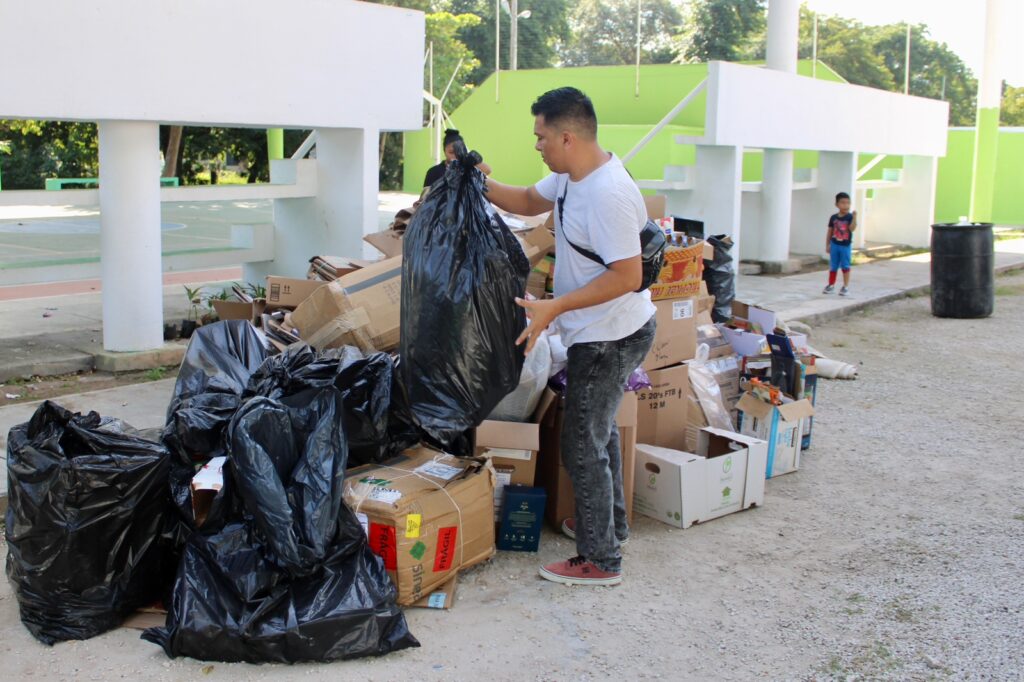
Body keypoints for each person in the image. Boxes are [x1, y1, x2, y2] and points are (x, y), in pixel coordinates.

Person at [484, 87, 656, 587]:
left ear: (566, 136)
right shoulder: (569, 177)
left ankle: (600, 560)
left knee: (581, 443)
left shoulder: (608, 194)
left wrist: (553, 307)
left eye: (540, 136)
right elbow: (524, 200)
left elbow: (627, 275)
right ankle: (610, 527)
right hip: (600, 329)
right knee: (597, 434)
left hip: (611, 336)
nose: (536, 144)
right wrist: (479, 179)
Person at [422, 128, 492, 190]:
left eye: (458, 151)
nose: (455, 155)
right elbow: (426, 196)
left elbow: (488, 170)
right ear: (444, 151)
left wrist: (471, 160)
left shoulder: (468, 168)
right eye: (451, 152)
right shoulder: (434, 172)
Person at [823, 191, 856, 296]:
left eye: (848, 203)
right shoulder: (833, 218)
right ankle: (831, 285)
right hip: (835, 245)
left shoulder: (850, 217)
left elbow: (852, 229)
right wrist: (827, 245)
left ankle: (845, 287)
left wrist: (855, 217)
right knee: (833, 266)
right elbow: (830, 232)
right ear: (837, 204)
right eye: (843, 202)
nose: (846, 205)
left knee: (845, 266)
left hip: (845, 246)